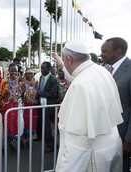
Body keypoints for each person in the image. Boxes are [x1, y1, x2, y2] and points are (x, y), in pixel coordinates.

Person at [53, 40, 123, 171]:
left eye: (64, 60)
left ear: (68, 58)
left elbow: (76, 144)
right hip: (111, 147)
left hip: (93, 156)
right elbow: (75, 75)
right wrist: (62, 64)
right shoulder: (101, 71)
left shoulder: (80, 85)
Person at [100, 37, 131, 172]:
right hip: (104, 132)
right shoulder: (105, 69)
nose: (101, 54)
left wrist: (129, 140)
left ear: (117, 52)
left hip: (122, 135)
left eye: (104, 51)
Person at [0, 63, 24, 151]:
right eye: (12, 71)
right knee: (5, 125)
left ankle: (13, 141)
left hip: (17, 106)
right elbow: (0, 94)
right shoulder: (4, 81)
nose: (14, 73)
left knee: (17, 124)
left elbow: (24, 93)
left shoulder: (21, 81)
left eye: (16, 71)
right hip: (7, 106)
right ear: (9, 71)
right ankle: (4, 144)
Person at [36, 61, 59, 153]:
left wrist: (40, 92)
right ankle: (48, 141)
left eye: (44, 68)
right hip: (42, 104)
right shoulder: (41, 77)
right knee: (43, 126)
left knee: (47, 127)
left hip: (49, 106)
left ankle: (50, 145)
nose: (41, 70)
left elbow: (53, 93)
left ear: (49, 69)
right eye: (41, 68)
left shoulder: (53, 80)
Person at [21, 68, 39, 142]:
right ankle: (23, 139)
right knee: (25, 122)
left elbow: (39, 92)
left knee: (33, 122)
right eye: (29, 73)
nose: (31, 75)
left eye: (32, 73)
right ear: (25, 74)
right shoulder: (22, 83)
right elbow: (20, 94)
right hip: (25, 106)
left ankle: (29, 139)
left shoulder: (36, 83)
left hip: (34, 107)